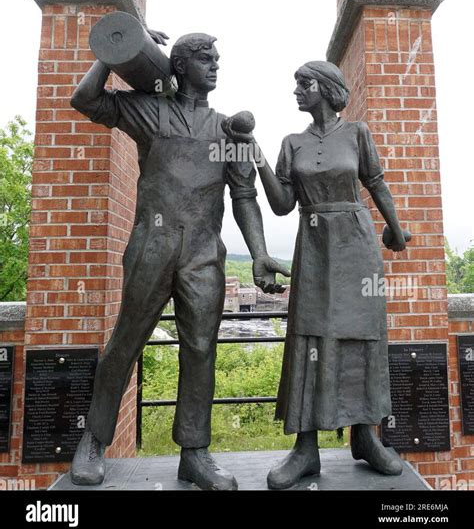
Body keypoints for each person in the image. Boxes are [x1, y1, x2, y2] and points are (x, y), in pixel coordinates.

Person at [70, 30, 289, 490]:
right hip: (152, 244)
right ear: (181, 65)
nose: (215, 65)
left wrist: (261, 254)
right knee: (125, 342)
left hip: (204, 254)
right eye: (206, 58)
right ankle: (93, 438)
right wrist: (112, 54)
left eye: (217, 58)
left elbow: (245, 197)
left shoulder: (228, 129)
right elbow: (85, 100)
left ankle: (194, 453)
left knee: (201, 351)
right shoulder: (149, 110)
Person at [223, 60, 411, 490]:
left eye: (303, 84)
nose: (297, 92)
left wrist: (396, 233)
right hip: (313, 245)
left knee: (363, 334)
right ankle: (305, 448)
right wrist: (255, 151)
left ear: (326, 88)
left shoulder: (357, 133)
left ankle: (365, 436)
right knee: (308, 335)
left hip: (358, 245)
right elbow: (282, 204)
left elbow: (377, 183)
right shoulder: (292, 142)